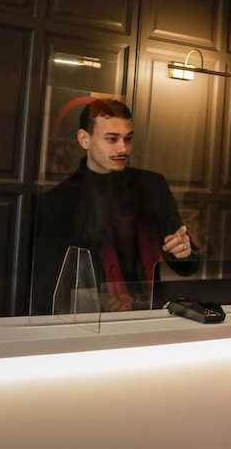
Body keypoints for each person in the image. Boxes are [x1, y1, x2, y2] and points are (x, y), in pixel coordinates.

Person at [33, 98, 199, 313]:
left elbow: (186, 265)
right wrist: (96, 304)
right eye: (112, 139)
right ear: (85, 139)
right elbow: (47, 289)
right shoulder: (56, 202)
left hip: (152, 313)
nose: (123, 148)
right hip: (88, 322)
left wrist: (185, 252)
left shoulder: (153, 185)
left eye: (128, 139)